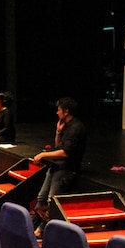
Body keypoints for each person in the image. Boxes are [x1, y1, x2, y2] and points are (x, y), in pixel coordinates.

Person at [31, 97, 87, 235]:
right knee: (41, 197)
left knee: (52, 201)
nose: (57, 112)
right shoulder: (66, 126)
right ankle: (31, 226)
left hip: (66, 168)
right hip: (56, 166)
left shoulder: (76, 128)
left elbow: (65, 153)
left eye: (59, 110)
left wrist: (43, 155)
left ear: (66, 112)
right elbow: (58, 145)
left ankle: (41, 230)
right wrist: (58, 131)